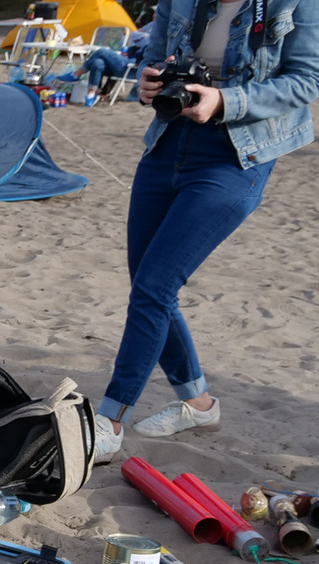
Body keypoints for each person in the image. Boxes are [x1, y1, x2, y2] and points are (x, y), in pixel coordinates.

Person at [91, 0, 319, 463]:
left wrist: (226, 101)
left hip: (237, 153)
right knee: (149, 287)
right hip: (168, 141)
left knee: (154, 288)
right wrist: (150, 83)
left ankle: (110, 422)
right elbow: (154, 57)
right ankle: (198, 405)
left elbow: (306, 80)